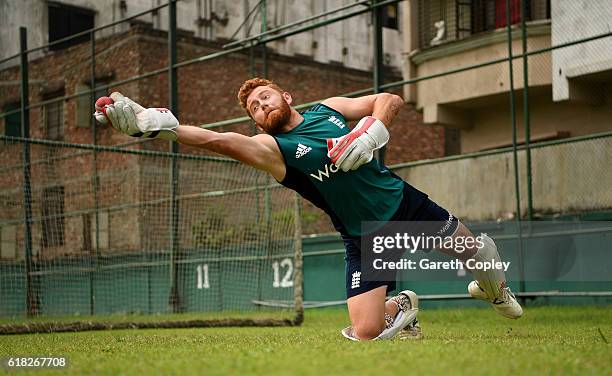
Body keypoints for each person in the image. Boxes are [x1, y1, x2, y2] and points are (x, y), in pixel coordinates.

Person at [94, 77, 522, 341]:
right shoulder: (272, 150)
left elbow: (389, 99)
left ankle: (494, 289)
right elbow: (218, 140)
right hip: (364, 235)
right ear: (258, 123)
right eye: (255, 109)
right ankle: (402, 307)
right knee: (367, 331)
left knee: (479, 254)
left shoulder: (329, 110)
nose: (262, 107)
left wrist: (372, 132)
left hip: (404, 205)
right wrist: (161, 127)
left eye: (265, 97)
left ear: (285, 94)